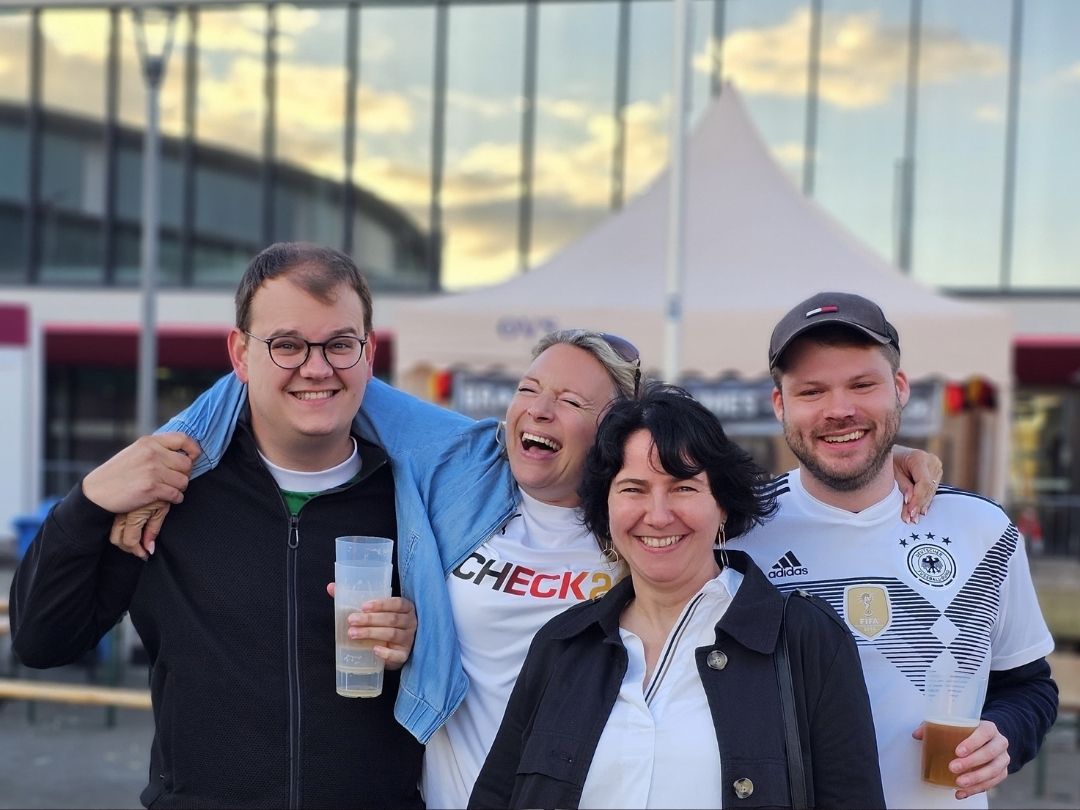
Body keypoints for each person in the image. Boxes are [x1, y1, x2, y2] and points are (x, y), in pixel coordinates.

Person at [108, 323, 940, 806]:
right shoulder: (464, 468)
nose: (537, 410)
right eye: (529, 389)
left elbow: (779, 494)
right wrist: (166, 459)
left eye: (571, 403)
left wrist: (901, 463)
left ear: (612, 430)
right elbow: (302, 375)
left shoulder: (647, 521)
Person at [9, 243, 424, 808]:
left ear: (368, 354)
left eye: (340, 344)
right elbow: (42, 639)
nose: (317, 367)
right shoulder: (168, 500)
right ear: (240, 354)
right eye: (287, 345)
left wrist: (418, 641)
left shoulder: (419, 501)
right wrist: (87, 501)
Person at [470, 385, 885, 809]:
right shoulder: (562, 643)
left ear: (722, 505)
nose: (658, 514)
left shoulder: (804, 638)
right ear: (606, 508)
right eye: (633, 489)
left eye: (683, 488)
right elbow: (495, 797)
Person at [727, 291, 1059, 809]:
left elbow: (1030, 686)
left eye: (863, 385)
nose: (840, 410)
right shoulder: (735, 534)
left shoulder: (982, 529)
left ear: (899, 389)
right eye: (812, 391)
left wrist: (1005, 735)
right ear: (780, 406)